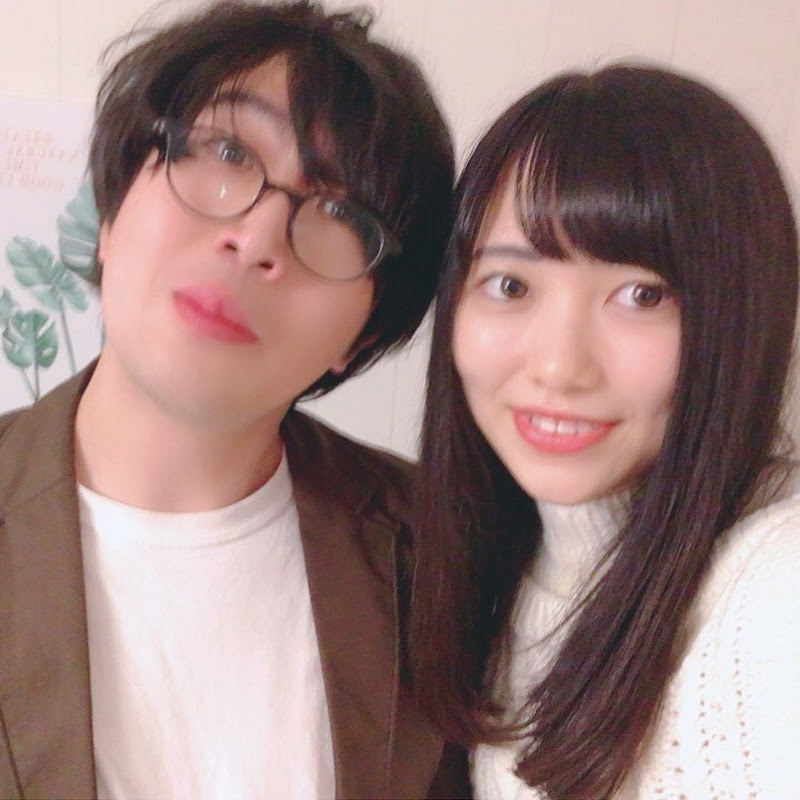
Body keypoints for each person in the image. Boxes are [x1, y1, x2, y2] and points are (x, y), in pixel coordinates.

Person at [0, 2, 464, 798]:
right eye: (227, 151)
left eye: (341, 213)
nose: (255, 240)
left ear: (363, 332)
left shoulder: (442, 558)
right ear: (111, 212)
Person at [410, 63, 800, 799]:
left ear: (741, 316)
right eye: (510, 285)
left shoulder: (779, 592)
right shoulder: (487, 575)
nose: (560, 367)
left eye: (642, 295)